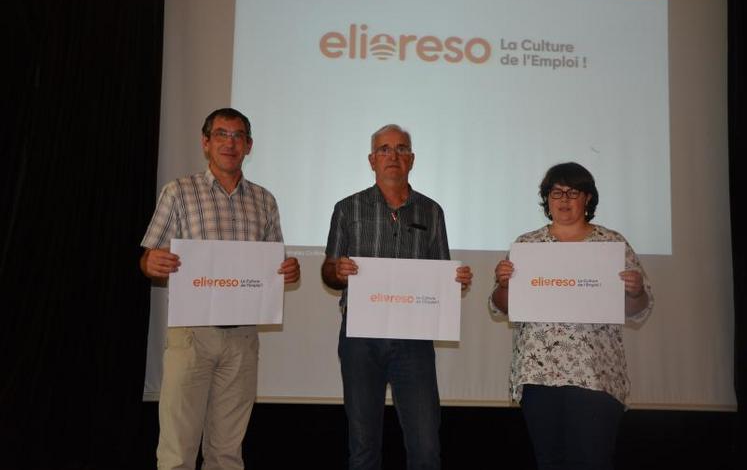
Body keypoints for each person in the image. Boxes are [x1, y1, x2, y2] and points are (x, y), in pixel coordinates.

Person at [140, 108, 300, 470]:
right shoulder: (178, 192)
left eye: (238, 135)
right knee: (177, 452)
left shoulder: (265, 200)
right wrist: (151, 264)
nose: (230, 142)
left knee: (227, 454)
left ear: (249, 145)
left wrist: (287, 269)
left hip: (242, 339)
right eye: (222, 134)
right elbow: (150, 257)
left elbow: (276, 263)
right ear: (206, 142)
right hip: (192, 335)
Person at [321, 124, 473, 470]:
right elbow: (328, 273)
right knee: (363, 447)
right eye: (385, 149)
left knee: (425, 447)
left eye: (402, 149)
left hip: (413, 340)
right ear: (372, 160)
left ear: (412, 159)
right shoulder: (347, 208)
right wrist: (338, 271)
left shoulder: (431, 212)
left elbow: (441, 274)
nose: (394, 156)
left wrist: (455, 281)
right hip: (360, 338)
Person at [489, 162, 653, 470]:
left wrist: (635, 291)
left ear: (588, 198)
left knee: (591, 462)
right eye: (556, 192)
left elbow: (639, 309)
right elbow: (501, 306)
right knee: (549, 462)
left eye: (573, 192)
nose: (564, 200)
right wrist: (503, 285)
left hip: (595, 376)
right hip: (538, 375)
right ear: (547, 199)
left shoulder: (611, 244)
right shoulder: (527, 245)